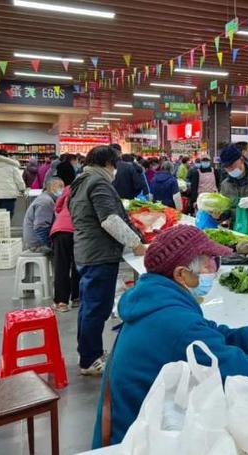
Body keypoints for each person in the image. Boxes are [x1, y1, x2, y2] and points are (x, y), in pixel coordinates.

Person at [91, 225, 248, 448]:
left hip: (136, 426)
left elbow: (207, 330)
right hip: (142, 444)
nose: (214, 269)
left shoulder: (154, 299)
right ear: (181, 274)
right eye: (208, 263)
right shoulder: (176, 323)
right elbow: (244, 374)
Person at [70, 145, 146, 376]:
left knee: (89, 307)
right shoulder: (98, 183)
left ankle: (88, 352)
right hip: (99, 254)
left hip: (87, 251)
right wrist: (136, 243)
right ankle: (90, 359)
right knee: (96, 308)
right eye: (115, 165)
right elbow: (110, 220)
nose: (116, 170)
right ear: (109, 164)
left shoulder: (81, 181)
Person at [50, 164, 80, 313]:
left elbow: (58, 208)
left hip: (60, 229)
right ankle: (77, 298)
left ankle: (61, 302)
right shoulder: (91, 189)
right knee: (77, 264)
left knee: (61, 265)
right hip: (78, 230)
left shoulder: (69, 189)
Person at [22, 177, 64, 253]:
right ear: (52, 187)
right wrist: (51, 244)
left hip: (35, 241)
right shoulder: (45, 201)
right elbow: (40, 228)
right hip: (38, 244)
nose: (62, 190)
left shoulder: (46, 199)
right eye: (60, 186)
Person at [0, 149, 26, 218]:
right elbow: (19, 180)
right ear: (7, 156)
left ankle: (0, 228)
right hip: (8, 195)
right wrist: (22, 189)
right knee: (8, 215)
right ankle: (6, 228)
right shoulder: (12, 166)